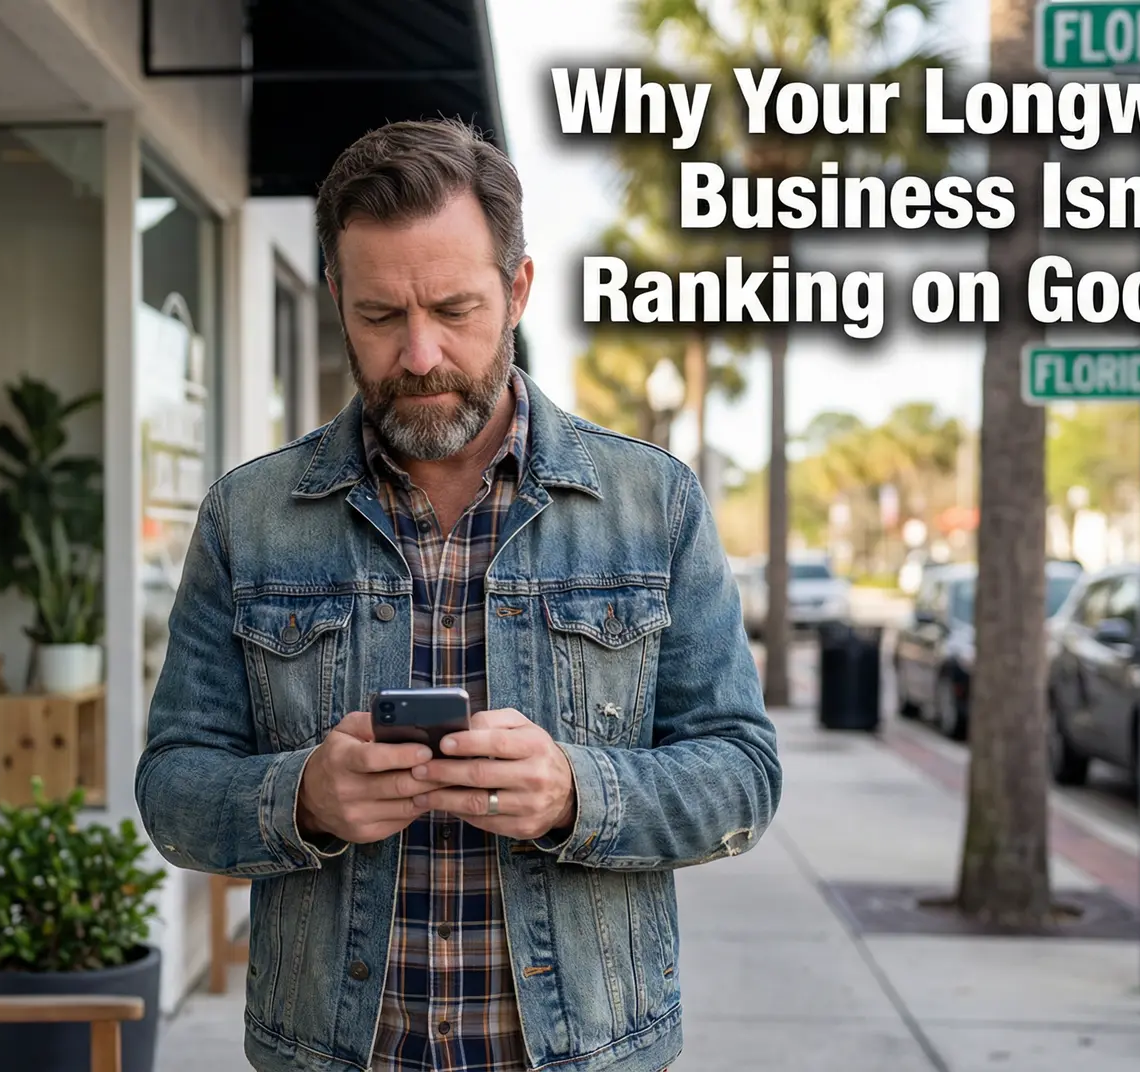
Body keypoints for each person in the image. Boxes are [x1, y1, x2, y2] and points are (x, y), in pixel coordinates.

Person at [136, 118, 780, 1072]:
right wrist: (301, 795)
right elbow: (173, 787)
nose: (422, 354)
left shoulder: (654, 503)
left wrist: (576, 791)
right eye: (381, 316)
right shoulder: (248, 516)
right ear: (336, 298)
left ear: (517, 290)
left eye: (454, 306)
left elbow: (743, 773)